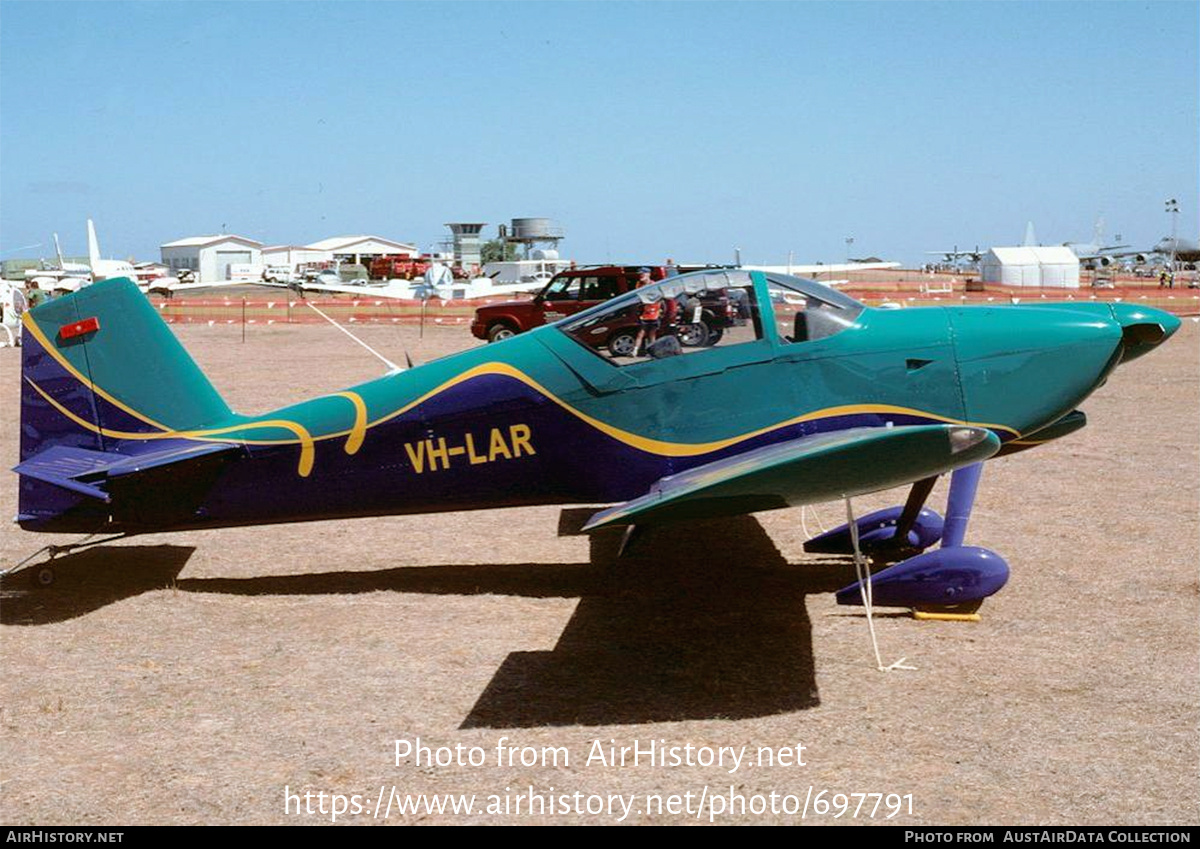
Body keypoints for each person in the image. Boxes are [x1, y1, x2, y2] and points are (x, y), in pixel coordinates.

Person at [630, 268, 660, 356]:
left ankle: (652, 352)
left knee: (652, 334)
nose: (641, 276)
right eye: (640, 274)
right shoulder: (639, 284)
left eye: (643, 274)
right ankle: (635, 351)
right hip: (644, 313)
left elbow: (658, 298)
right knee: (641, 333)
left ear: (648, 274)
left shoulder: (654, 285)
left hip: (654, 313)